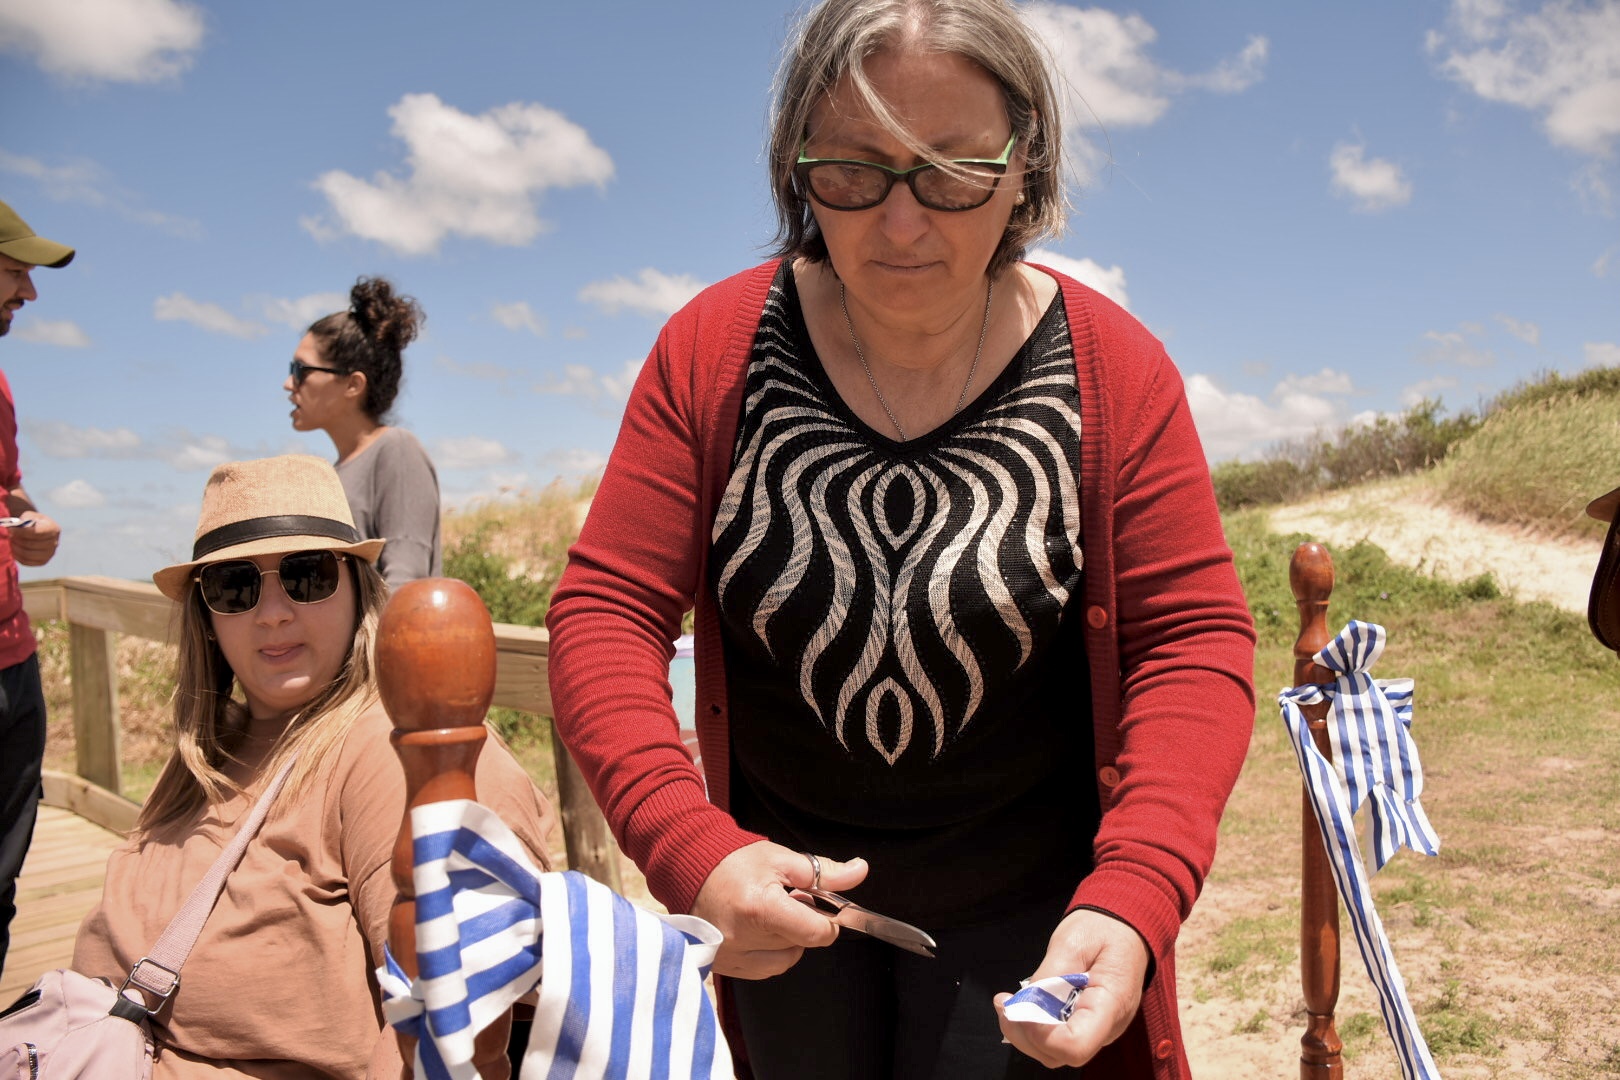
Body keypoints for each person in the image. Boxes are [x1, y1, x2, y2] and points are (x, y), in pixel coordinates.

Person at [544, 1, 1257, 1076]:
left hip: (1038, 931)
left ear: (1029, 166)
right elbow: (607, 611)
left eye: (955, 169)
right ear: (797, 169)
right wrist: (693, 851)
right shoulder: (713, 353)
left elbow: (1192, 642)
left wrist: (1137, 892)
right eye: (854, 171)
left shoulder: (1117, 371)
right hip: (782, 916)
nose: (904, 220)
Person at [73, 454, 554, 1077]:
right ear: (207, 617)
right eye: (234, 586)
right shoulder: (212, 746)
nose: (272, 611)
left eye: (306, 575)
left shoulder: (392, 753)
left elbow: (449, 1020)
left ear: (358, 586)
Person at [0, 197, 68, 984]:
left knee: (0, 883)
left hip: (13, 664)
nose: (30, 293)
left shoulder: (1, 385)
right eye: (15, 270)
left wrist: (31, 523)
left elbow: (9, 490)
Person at [284, 277, 442, 587]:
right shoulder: (336, 472)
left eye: (300, 370)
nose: (289, 384)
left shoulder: (396, 449)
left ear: (353, 384)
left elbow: (405, 581)